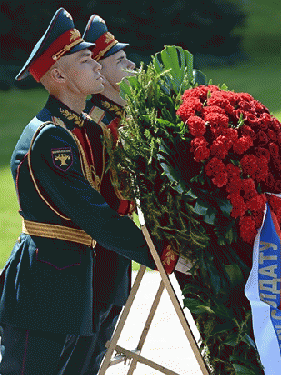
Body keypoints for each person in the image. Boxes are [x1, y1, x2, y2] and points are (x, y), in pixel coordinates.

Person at [0, 8, 170, 374]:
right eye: (84, 59)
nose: (96, 65)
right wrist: (160, 253)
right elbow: (93, 212)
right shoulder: (50, 139)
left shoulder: (85, 132)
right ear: (59, 75)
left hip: (73, 281)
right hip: (42, 287)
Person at [57, 15, 137, 374]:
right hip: (101, 236)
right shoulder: (97, 121)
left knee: (109, 319)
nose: (132, 67)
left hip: (120, 229)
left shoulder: (119, 113)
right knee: (93, 325)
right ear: (100, 71)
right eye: (120, 61)